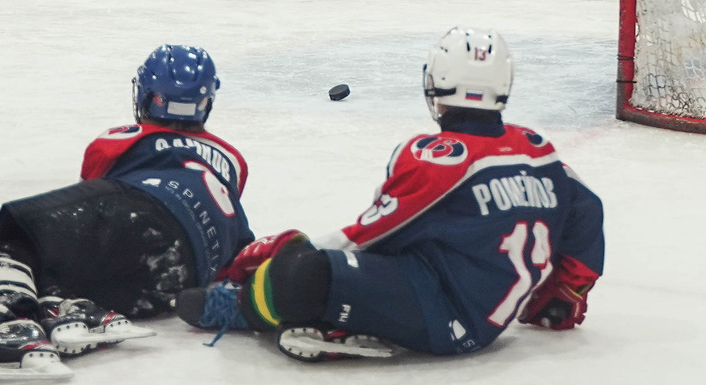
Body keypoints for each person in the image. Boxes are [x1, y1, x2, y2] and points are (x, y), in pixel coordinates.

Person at [176, 27, 603, 362]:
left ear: (435, 83)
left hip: (442, 315)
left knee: (299, 272)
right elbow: (588, 211)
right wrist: (565, 293)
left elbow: (366, 237)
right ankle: (350, 319)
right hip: (479, 314)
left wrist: (286, 250)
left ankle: (239, 308)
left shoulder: (438, 157)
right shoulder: (540, 151)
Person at [0, 44, 249, 382]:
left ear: (147, 96)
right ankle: (74, 310)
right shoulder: (232, 158)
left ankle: (12, 323)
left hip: (142, 210)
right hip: (184, 275)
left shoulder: (124, 137)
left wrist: (31, 248)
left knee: (10, 240)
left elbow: (92, 207)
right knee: (62, 270)